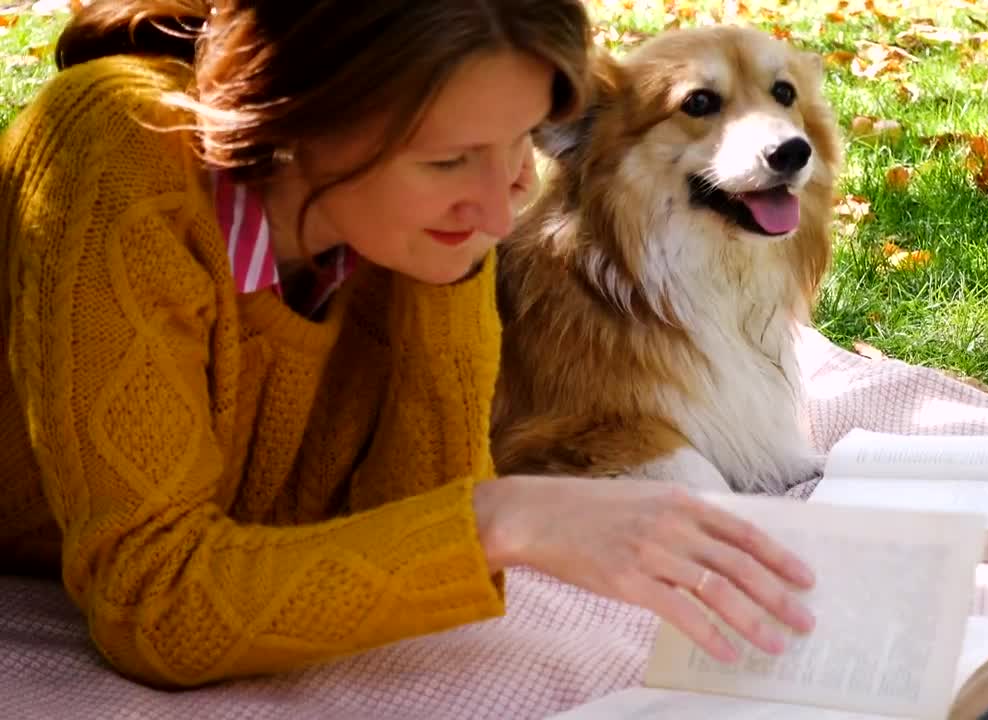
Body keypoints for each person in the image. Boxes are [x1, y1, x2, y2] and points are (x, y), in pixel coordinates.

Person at [0, 0, 817, 690]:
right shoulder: (118, 155)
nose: (503, 218)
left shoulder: (415, 227)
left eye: (518, 146)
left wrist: (448, 270)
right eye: (449, 158)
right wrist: (502, 517)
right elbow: (158, 602)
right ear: (297, 116)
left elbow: (405, 514)